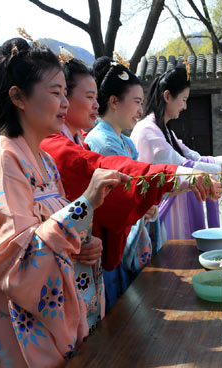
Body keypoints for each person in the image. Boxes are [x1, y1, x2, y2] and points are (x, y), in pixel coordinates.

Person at [0, 38, 129, 368]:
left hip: (36, 318)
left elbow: (50, 230)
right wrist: (84, 205)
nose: (65, 103)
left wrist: (81, 244)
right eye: (55, 92)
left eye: (66, 92)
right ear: (17, 97)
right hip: (7, 319)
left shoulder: (43, 160)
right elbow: (17, 264)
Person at [42, 56, 221, 310]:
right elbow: (119, 176)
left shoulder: (80, 141)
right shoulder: (65, 146)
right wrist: (72, 239)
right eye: (56, 93)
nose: (96, 104)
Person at [131, 66, 222, 239]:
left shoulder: (162, 129)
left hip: (175, 207)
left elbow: (193, 157)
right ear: (167, 96)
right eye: (184, 99)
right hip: (162, 211)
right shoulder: (147, 131)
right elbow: (184, 168)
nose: (185, 106)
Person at [84, 57, 163, 309]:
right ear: (114, 101)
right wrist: (143, 204)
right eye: (137, 102)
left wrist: (145, 205)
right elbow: (124, 199)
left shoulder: (125, 142)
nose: (141, 110)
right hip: (112, 242)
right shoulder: (103, 142)